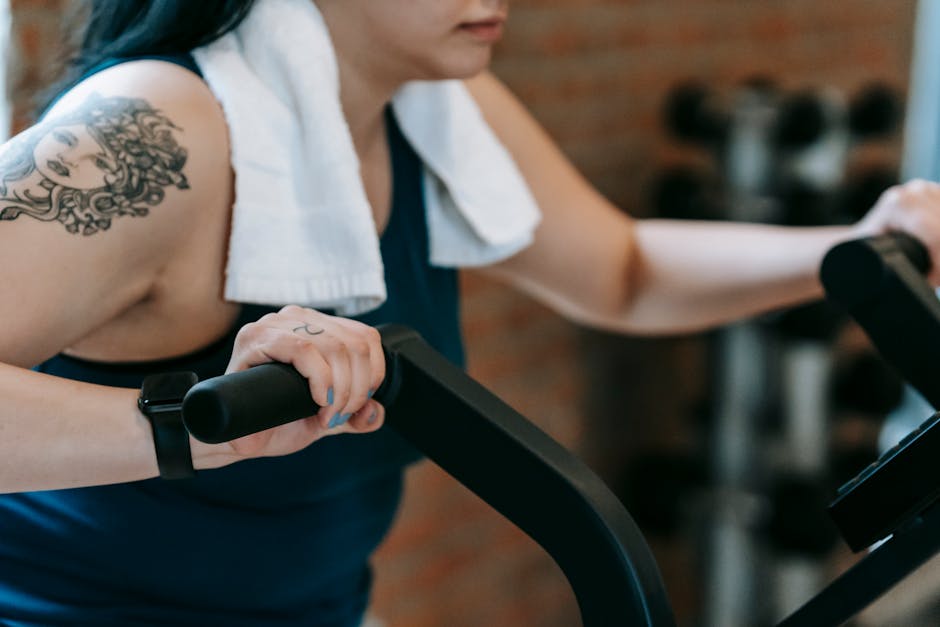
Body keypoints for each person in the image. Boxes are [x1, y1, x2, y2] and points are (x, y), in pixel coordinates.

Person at [1, 0, 939, 625]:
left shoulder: (425, 96)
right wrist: (202, 429)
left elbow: (622, 269)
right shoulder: (153, 133)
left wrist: (860, 245)